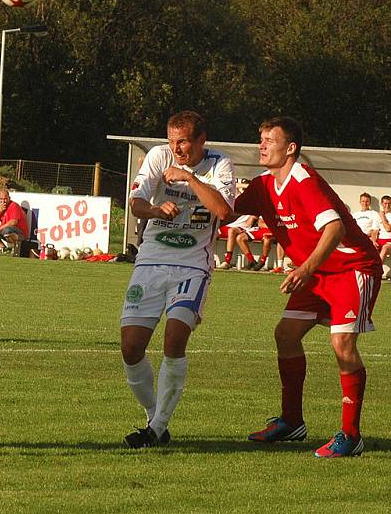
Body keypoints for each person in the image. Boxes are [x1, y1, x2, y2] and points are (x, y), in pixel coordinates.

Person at [236, 116, 381, 458]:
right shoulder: (262, 185)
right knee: (285, 334)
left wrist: (304, 268)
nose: (262, 145)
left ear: (291, 148)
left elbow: (335, 230)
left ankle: (351, 435)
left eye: (270, 139)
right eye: (261, 138)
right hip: (316, 273)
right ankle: (291, 421)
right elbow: (225, 212)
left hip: (351, 267)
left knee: (342, 343)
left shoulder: (303, 179)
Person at [120, 110, 234, 448]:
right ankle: (155, 416)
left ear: (201, 140)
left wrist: (188, 178)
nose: (176, 148)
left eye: (183, 142)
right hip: (151, 261)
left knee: (174, 340)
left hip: (192, 266)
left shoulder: (220, 164)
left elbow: (224, 212)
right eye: (172, 141)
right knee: (131, 348)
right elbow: (136, 202)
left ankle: (156, 429)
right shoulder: (158, 156)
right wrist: (155, 210)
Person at [0, 189, 29, 254]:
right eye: (1, 199)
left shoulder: (14, 205)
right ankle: (3, 248)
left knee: (7, 230)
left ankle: (15, 248)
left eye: (5, 199)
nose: (3, 201)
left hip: (20, 233)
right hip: (6, 230)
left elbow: (14, 222)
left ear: (9, 198)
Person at [377, 195, 391, 276]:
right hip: (380, 240)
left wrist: (382, 217)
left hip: (389, 241)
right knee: (370, 247)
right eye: (385, 203)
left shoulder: (381, 215)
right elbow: (375, 230)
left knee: (385, 248)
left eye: (389, 203)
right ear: (382, 204)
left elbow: (388, 228)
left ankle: (377, 271)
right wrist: (373, 240)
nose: (387, 205)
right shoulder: (377, 215)